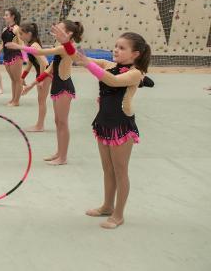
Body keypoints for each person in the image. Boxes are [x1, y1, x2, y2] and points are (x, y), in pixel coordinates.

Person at [53, 27, 152, 229]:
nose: (116, 50)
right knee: (107, 169)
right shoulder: (109, 64)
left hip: (121, 127)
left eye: (122, 48)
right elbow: (77, 57)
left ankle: (118, 214)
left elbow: (113, 81)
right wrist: (66, 43)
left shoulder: (135, 73)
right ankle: (107, 206)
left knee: (120, 171)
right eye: (115, 46)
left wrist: (89, 63)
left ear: (135, 54)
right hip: (103, 123)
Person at [6, 20, 84, 165]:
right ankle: (59, 153)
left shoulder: (68, 47)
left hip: (64, 88)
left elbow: (41, 52)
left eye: (59, 29)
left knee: (63, 123)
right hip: (57, 86)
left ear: (68, 34)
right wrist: (32, 84)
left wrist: (18, 46)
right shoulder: (60, 46)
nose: (55, 30)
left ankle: (63, 157)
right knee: (58, 122)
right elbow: (50, 68)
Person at [17, 22, 50, 132]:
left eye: (21, 34)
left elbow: (44, 63)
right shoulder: (29, 45)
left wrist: (41, 79)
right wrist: (22, 77)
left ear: (29, 33)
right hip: (42, 74)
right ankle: (39, 124)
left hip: (45, 74)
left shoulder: (34, 45)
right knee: (40, 100)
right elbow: (30, 63)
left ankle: (40, 126)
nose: (20, 36)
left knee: (41, 100)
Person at [0, 7, 23, 106]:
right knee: (13, 80)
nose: (4, 17)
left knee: (18, 79)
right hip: (6, 55)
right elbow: (4, 43)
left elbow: (22, 44)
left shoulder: (17, 29)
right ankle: (13, 99)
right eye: (5, 15)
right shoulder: (5, 29)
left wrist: (16, 45)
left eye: (7, 15)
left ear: (13, 17)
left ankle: (16, 101)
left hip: (15, 55)